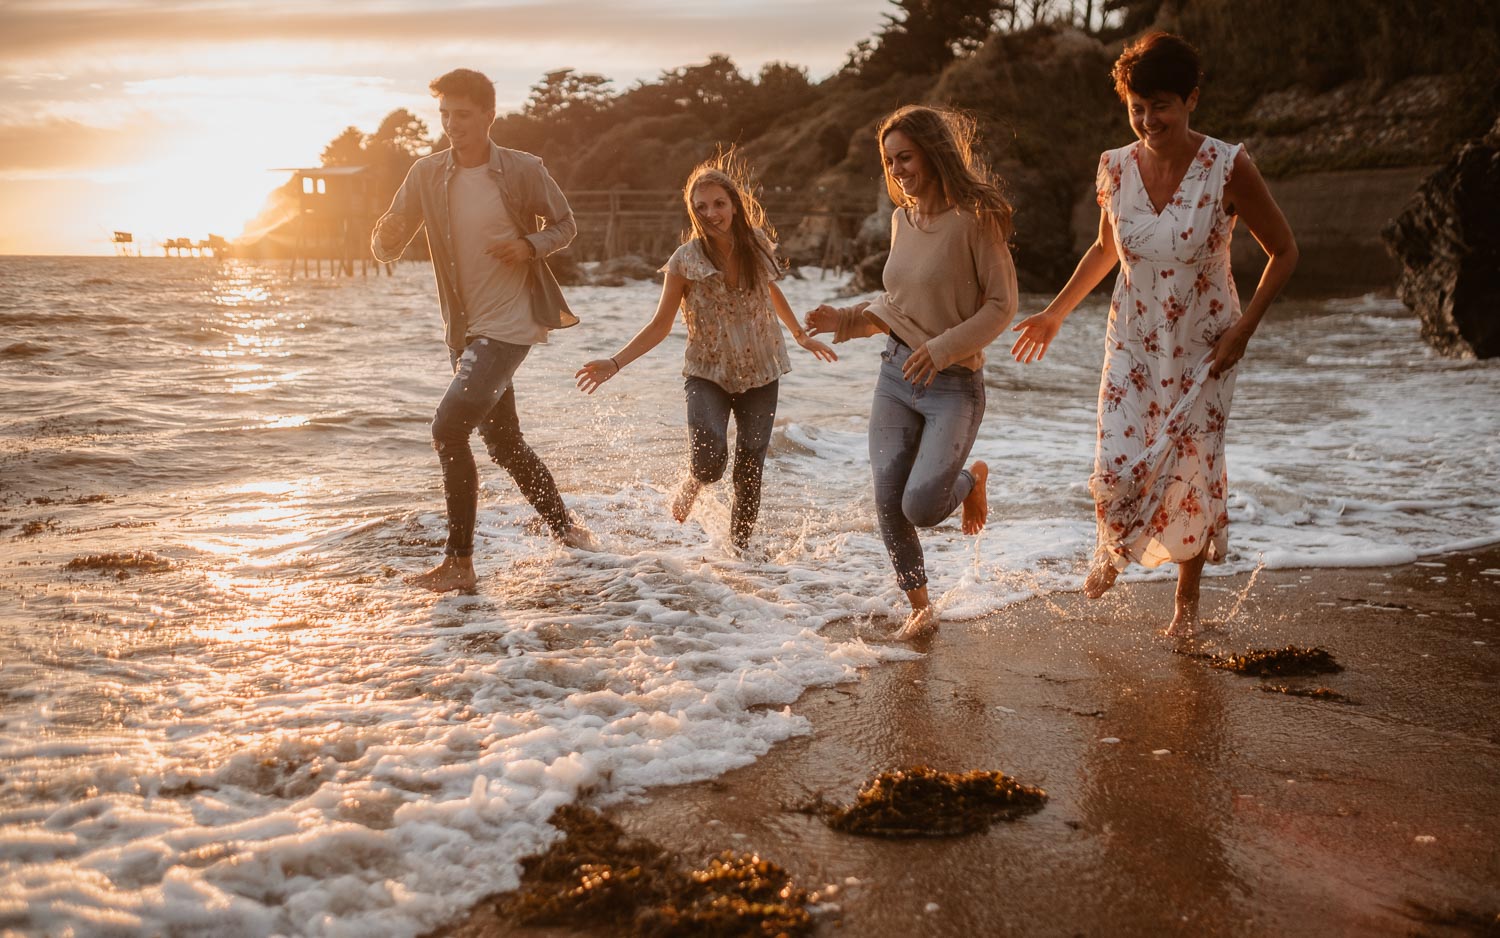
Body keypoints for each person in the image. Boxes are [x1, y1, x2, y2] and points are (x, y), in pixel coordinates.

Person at [1010, 32, 1298, 637]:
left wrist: (1243, 331)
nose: (1147, 120)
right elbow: (1104, 248)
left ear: (1191, 99)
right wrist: (1055, 314)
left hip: (1206, 345)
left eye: (1160, 105)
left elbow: (1285, 251)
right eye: (1136, 107)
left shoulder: (1227, 165)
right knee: (1116, 458)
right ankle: (1112, 548)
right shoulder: (1115, 167)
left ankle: (1185, 607)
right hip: (1133, 343)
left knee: (1191, 466)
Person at [371, 67, 592, 593]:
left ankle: (460, 565)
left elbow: (565, 225)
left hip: (512, 322)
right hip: (465, 330)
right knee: (506, 445)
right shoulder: (426, 174)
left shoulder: (521, 169)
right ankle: (569, 533)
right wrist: (385, 237)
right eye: (444, 114)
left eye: (463, 114)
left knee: (448, 430)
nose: (452, 124)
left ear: (489, 115)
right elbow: (389, 241)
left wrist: (528, 246)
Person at [804, 105, 1018, 640]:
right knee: (888, 502)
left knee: (920, 507)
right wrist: (847, 319)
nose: (897, 170)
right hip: (895, 377)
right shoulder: (902, 220)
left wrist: (943, 349)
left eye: (906, 157)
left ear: (933, 153)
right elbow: (898, 303)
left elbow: (1001, 305)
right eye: (889, 160)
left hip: (953, 387)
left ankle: (973, 479)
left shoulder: (976, 219)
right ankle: (921, 607)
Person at [575, 155, 837, 551]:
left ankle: (741, 555)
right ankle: (694, 480)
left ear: (734, 204)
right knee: (709, 460)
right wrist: (615, 362)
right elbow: (661, 324)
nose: (711, 213)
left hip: (762, 370)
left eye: (718, 203)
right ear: (692, 210)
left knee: (750, 469)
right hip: (707, 372)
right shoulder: (685, 259)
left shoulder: (758, 246)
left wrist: (800, 334)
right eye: (701, 206)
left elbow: (770, 288)